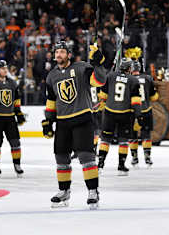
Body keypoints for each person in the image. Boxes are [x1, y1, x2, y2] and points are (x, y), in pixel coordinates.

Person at [42, 41, 106, 209]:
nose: (59, 55)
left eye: (62, 52)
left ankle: (93, 191)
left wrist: (98, 64)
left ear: (69, 54)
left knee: (86, 157)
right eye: (57, 52)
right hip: (63, 121)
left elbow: (99, 82)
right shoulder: (51, 76)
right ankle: (64, 191)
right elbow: (51, 101)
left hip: (82, 118)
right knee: (61, 157)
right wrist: (48, 120)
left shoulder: (82, 67)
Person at [97, 58, 142, 175]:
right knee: (123, 141)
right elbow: (136, 101)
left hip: (109, 112)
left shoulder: (110, 76)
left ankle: (100, 165)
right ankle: (121, 166)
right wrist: (139, 115)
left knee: (105, 139)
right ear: (129, 68)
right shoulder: (133, 80)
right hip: (125, 113)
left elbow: (102, 95)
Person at [0, 60, 26, 177]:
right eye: (3, 68)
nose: (5, 70)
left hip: (9, 117)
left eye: (6, 68)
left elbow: (16, 100)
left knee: (15, 142)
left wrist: (18, 113)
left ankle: (17, 165)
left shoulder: (12, 83)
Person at [129, 60, 159, 168]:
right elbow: (154, 97)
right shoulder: (147, 78)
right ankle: (147, 157)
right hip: (146, 110)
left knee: (132, 135)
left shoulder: (129, 79)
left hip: (132, 111)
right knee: (146, 134)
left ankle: (134, 158)